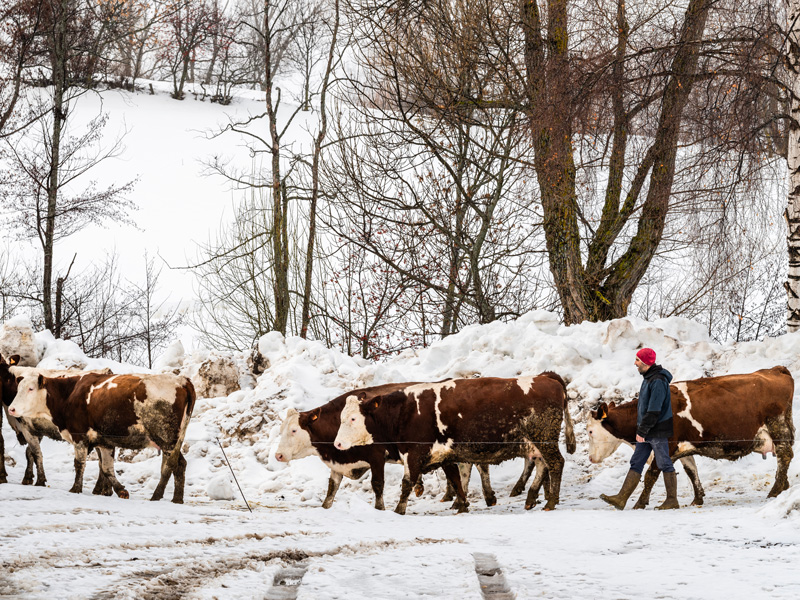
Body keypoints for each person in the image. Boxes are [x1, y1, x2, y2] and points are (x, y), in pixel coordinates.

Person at [600, 347, 680, 510]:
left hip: (656, 430)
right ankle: (621, 498)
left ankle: (672, 500)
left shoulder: (657, 380)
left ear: (646, 363)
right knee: (636, 462)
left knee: (664, 462)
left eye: (638, 360)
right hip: (646, 429)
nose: (635, 363)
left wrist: (642, 431)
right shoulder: (648, 378)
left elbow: (654, 409)